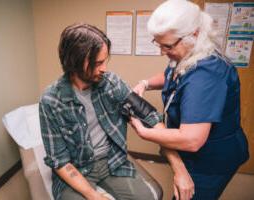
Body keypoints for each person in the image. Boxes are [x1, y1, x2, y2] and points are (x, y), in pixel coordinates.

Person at [132, 0, 249, 200]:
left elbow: (192, 140)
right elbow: (172, 74)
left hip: (211, 159)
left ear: (194, 34)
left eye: (167, 46)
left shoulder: (206, 76)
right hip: (195, 148)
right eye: (158, 44)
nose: (162, 52)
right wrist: (145, 83)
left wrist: (145, 132)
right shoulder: (188, 53)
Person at [39, 23, 162, 200]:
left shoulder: (111, 83)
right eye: (98, 63)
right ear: (75, 61)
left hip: (111, 161)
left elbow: (149, 115)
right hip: (77, 169)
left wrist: (177, 162)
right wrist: (93, 196)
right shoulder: (51, 101)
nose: (104, 68)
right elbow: (60, 161)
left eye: (105, 61)